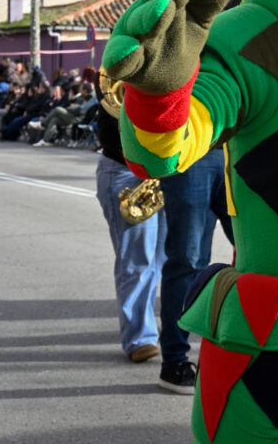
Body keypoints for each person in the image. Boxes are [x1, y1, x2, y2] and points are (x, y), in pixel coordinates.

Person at [155, 0, 238, 393]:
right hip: (194, 153)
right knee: (186, 257)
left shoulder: (245, 9)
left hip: (240, 152)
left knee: (253, 256)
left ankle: (233, 349)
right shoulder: (175, 11)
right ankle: (174, 358)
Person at [94, 79, 167, 363]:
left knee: (159, 258)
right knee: (138, 260)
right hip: (126, 169)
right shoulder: (116, 66)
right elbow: (113, 124)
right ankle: (139, 337)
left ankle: (141, 323)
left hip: (161, 170)